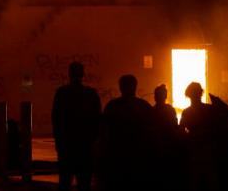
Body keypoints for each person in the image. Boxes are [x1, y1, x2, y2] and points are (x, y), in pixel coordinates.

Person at [51, 61, 102, 191]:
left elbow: (56, 118)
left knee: (65, 180)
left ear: (69, 74)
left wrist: (58, 140)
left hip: (66, 144)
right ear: (83, 74)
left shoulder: (62, 93)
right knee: (84, 181)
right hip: (85, 144)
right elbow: (97, 119)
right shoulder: (91, 94)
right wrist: (94, 141)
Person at [100, 74, 153, 191]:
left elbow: (104, 132)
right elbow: (151, 132)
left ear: (120, 87)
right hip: (137, 156)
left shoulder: (112, 106)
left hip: (119, 156)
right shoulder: (144, 106)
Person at [180, 82, 219, 191]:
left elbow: (181, 130)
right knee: (211, 180)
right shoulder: (210, 109)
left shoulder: (187, 112)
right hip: (208, 149)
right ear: (200, 93)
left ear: (188, 95)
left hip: (195, 150)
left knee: (194, 180)